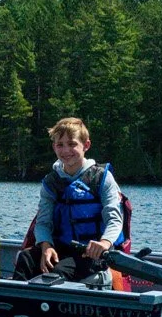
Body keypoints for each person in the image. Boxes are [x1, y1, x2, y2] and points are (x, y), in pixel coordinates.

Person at [13, 117, 124, 283]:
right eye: (60, 145)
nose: (66, 150)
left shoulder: (102, 178)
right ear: (54, 147)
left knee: (57, 272)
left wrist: (104, 243)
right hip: (61, 247)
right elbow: (43, 222)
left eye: (72, 144)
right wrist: (46, 246)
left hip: (93, 254)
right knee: (25, 259)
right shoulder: (51, 182)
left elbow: (114, 220)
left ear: (86, 145)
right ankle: (15, 298)